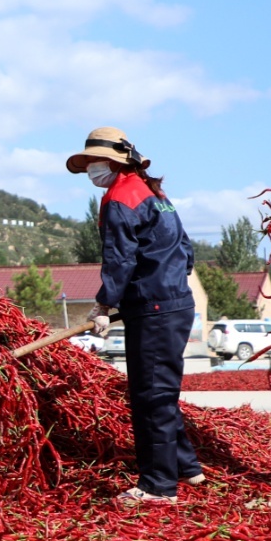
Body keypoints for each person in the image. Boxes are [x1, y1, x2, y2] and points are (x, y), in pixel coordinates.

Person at [68, 127, 200, 505]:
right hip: (174, 302)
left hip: (154, 309)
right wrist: (164, 284)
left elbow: (120, 258)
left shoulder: (120, 198)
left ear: (112, 162)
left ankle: (158, 485)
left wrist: (104, 305)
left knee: (151, 396)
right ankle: (188, 468)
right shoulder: (154, 194)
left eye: (94, 162)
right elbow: (186, 251)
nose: (92, 170)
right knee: (160, 390)